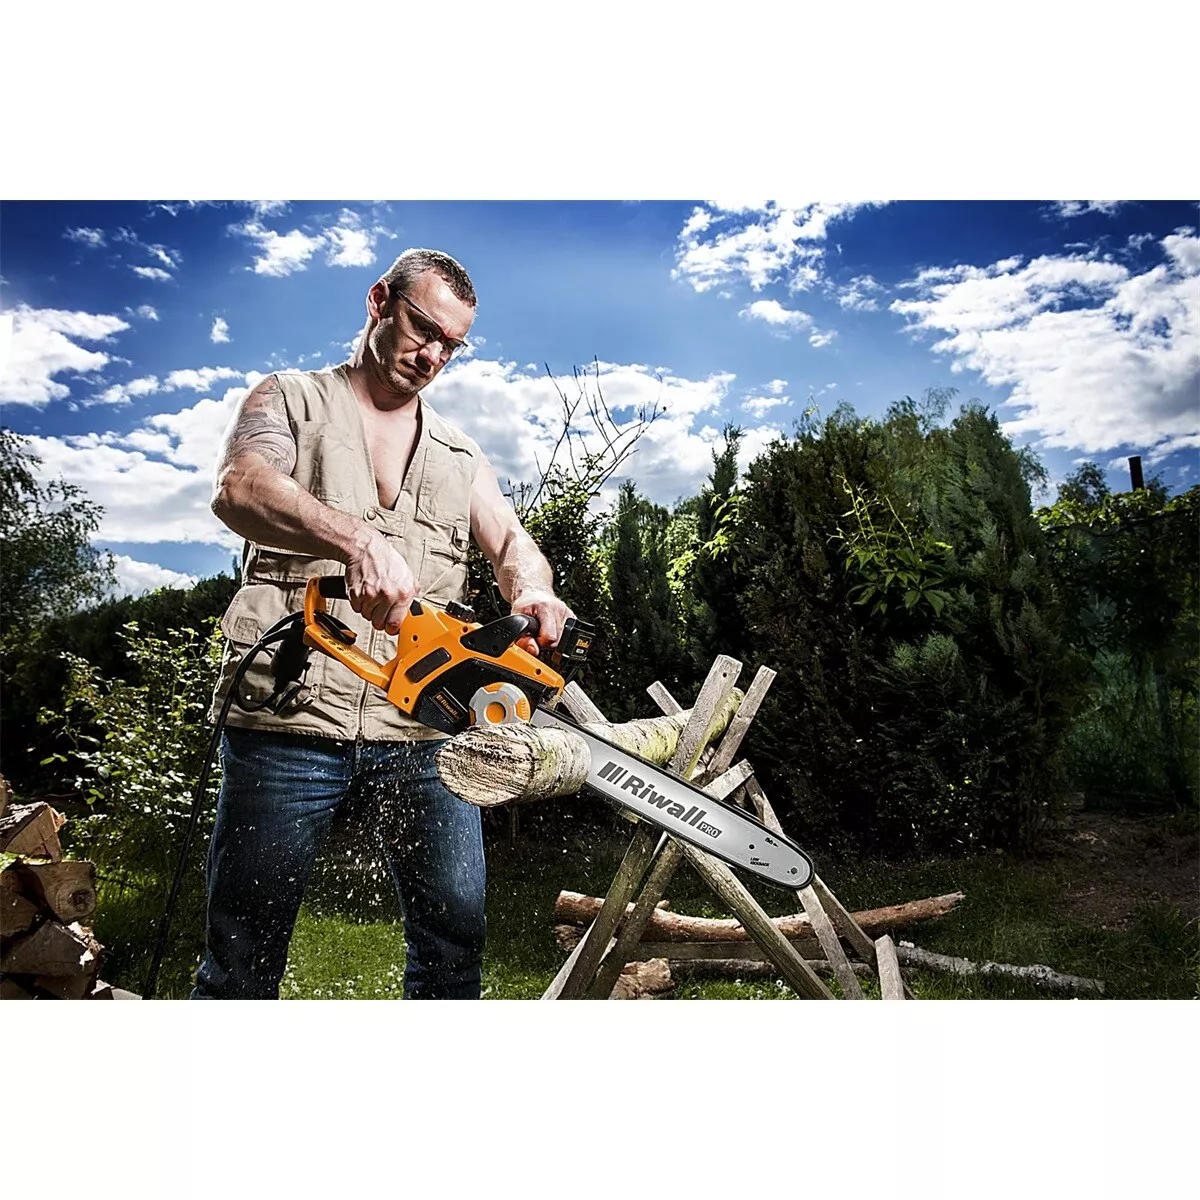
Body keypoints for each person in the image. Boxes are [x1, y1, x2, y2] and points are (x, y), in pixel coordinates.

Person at [192, 247, 573, 1000]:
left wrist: (532, 589)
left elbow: (511, 541)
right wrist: (355, 539)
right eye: (422, 329)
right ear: (379, 301)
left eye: (450, 345)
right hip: (290, 715)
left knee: (454, 939)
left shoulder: (459, 454)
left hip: (426, 725)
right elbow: (240, 486)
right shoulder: (292, 400)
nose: (431, 356)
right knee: (242, 951)